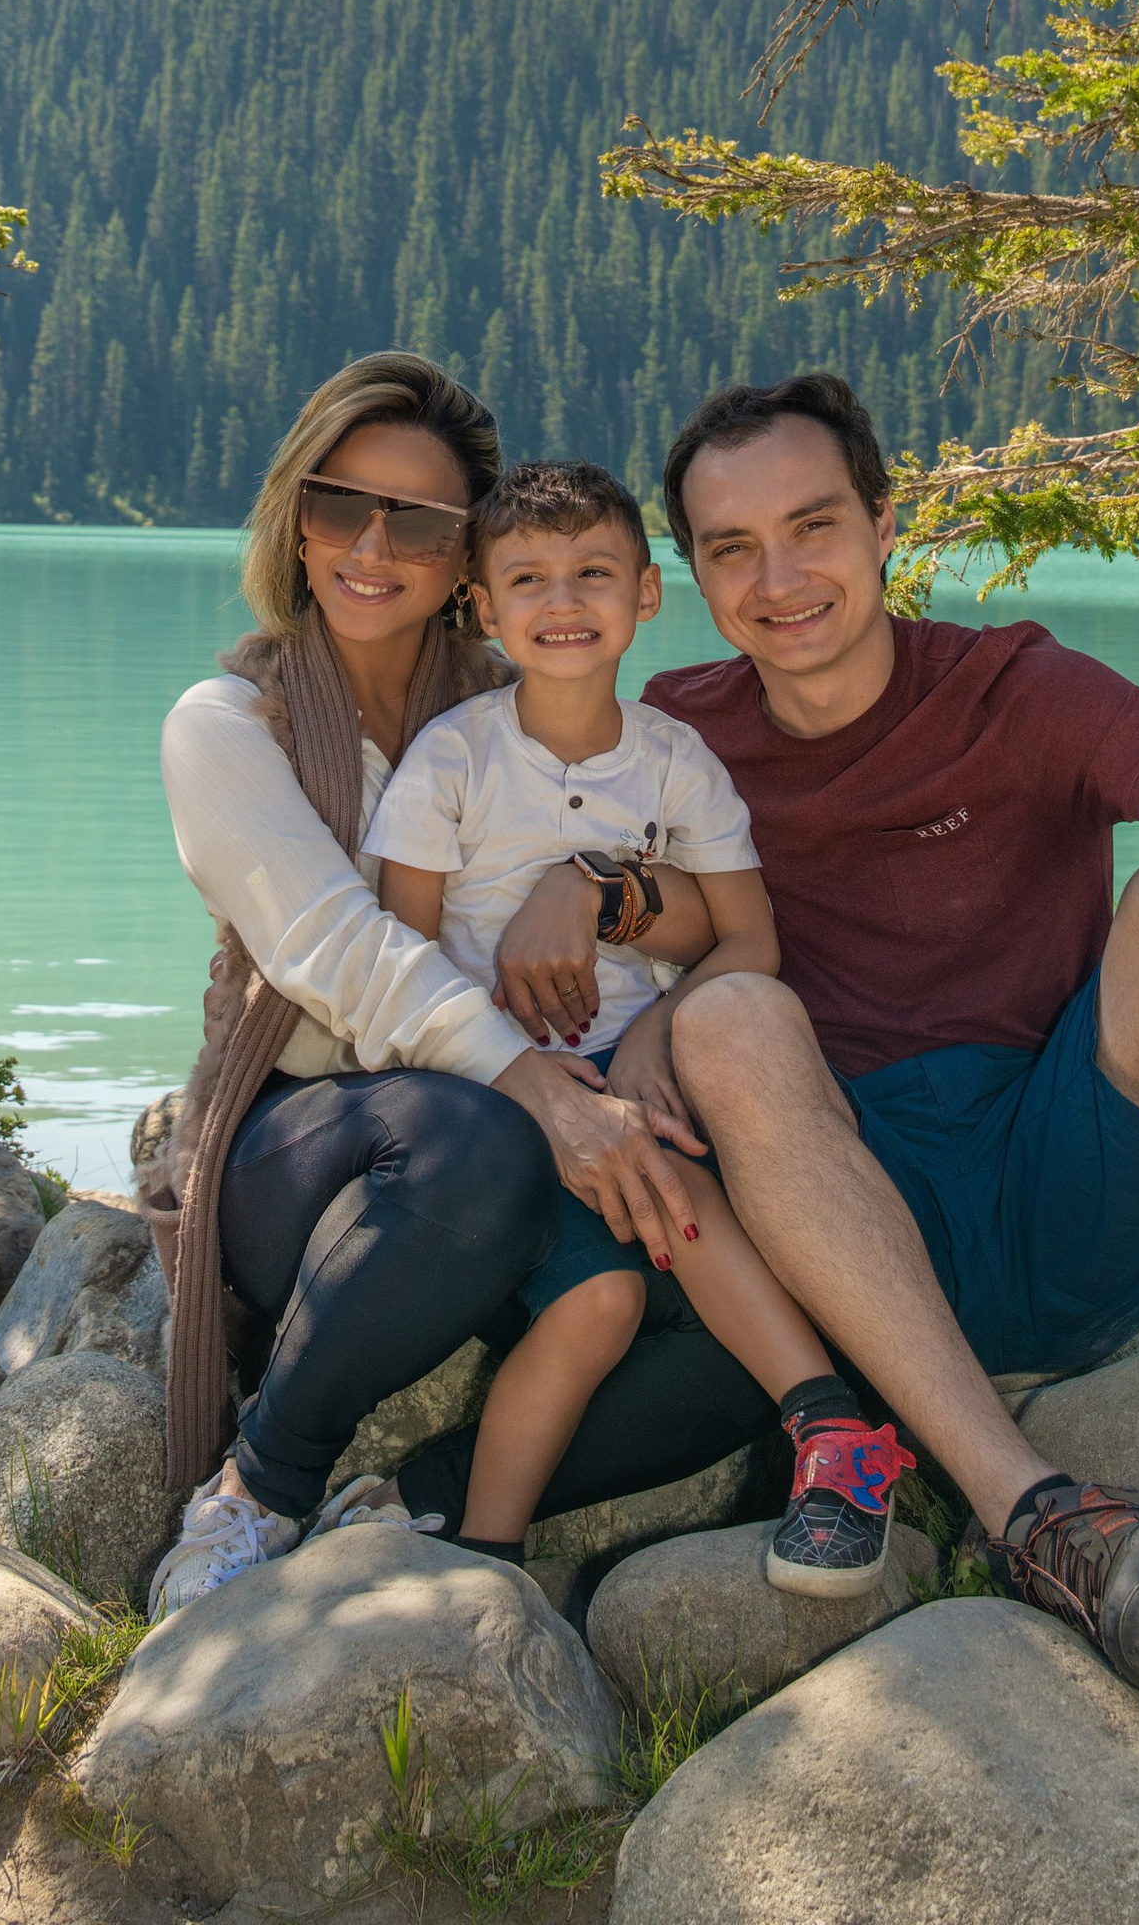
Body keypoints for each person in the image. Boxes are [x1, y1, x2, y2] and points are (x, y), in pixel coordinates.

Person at [491, 369, 1139, 1708]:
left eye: (814, 526)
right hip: (848, 1234)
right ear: (694, 571)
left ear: (886, 521)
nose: (780, 577)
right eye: (733, 547)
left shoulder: (1015, 688)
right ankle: (1037, 1517)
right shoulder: (685, 730)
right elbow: (676, 926)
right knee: (726, 1013)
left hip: (1060, 1187)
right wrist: (646, 980)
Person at [140, 352, 758, 1620]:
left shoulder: (511, 707)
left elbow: (697, 913)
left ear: (464, 557)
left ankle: (425, 1492)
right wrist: (548, 1093)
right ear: (292, 522)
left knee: (744, 1300)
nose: (373, 546)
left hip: (527, 1112)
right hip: (313, 1141)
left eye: (418, 522)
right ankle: (259, 1489)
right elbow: (343, 957)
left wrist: (597, 886)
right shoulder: (226, 724)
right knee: (475, 1137)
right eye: (337, 506)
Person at [365, 459, 915, 1594]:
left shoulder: (674, 760)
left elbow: (749, 940)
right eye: (526, 579)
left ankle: (829, 1434)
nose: (562, 604)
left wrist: (663, 1030)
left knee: (684, 1188)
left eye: (592, 574)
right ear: (481, 605)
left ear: (646, 594)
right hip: (484, 1084)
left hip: (627, 1062)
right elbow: (399, 956)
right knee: (608, 1292)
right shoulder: (455, 759)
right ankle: (490, 1558)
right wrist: (515, 1076)